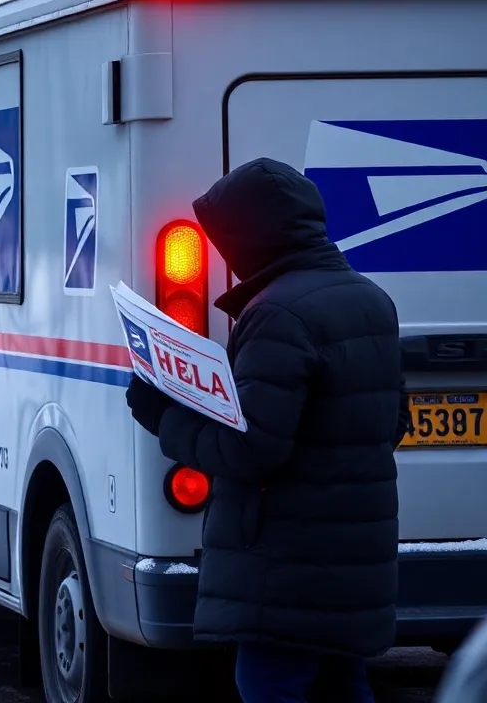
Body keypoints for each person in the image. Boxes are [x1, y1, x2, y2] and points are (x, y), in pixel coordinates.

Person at [125, 158, 408, 702]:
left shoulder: (275, 314)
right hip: (353, 556)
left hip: (284, 565)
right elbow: (393, 419)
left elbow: (251, 449)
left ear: (251, 235)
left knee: (270, 687)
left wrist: (165, 417)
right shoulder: (371, 299)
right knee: (342, 686)